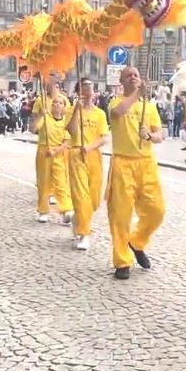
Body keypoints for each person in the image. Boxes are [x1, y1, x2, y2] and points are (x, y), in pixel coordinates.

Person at [107, 67, 165, 280]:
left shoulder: (149, 106)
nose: (133, 77)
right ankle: (122, 261)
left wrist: (149, 136)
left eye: (136, 75)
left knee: (157, 210)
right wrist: (136, 95)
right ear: (121, 81)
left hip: (146, 163)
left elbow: (160, 134)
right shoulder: (116, 102)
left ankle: (137, 241)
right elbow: (118, 113)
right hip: (123, 164)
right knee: (120, 216)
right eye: (128, 75)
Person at [66, 78, 109, 250]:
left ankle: (78, 218)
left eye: (91, 86)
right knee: (82, 196)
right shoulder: (72, 110)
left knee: (94, 199)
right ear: (79, 92)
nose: (89, 89)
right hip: (77, 154)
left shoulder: (100, 113)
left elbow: (104, 137)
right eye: (85, 86)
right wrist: (77, 110)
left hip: (93, 155)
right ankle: (84, 234)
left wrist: (90, 147)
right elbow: (71, 130)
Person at [30, 95, 74, 224]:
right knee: (43, 182)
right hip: (44, 152)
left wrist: (56, 150)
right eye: (55, 102)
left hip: (59, 153)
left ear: (64, 106)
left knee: (61, 182)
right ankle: (43, 210)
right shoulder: (46, 118)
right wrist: (40, 115)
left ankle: (66, 209)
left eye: (60, 103)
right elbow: (33, 129)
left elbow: (68, 141)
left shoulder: (65, 121)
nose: (57, 104)